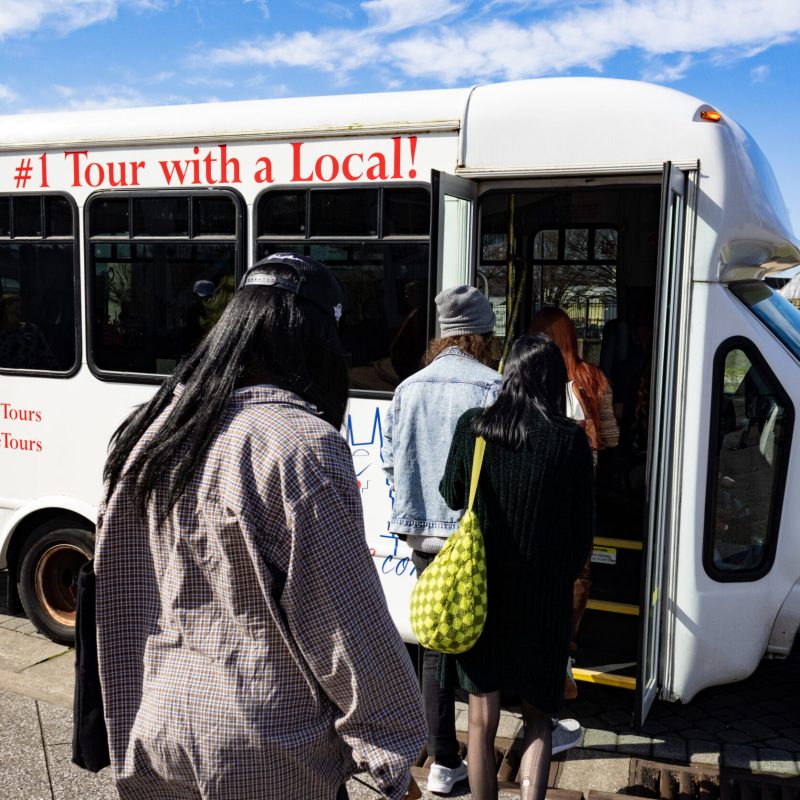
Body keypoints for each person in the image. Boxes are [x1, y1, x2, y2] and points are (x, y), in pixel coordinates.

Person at [94, 253, 425, 800]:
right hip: (266, 752)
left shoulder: (147, 430)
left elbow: (120, 595)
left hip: (156, 729)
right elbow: (345, 628)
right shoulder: (298, 443)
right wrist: (392, 753)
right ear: (315, 342)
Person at [383, 287, 581, 795]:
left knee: (454, 676)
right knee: (537, 716)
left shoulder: (416, 392)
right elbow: (578, 527)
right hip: (529, 580)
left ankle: (444, 761)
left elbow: (431, 481)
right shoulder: (553, 429)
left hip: (459, 561)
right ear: (481, 335)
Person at [437, 334, 594, 800]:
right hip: (543, 602)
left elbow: (451, 495)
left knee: (482, 723)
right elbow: (582, 535)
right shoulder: (569, 442)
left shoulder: (474, 428)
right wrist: (556, 579)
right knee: (539, 720)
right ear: (552, 382)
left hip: (481, 597)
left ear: (508, 377)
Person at [530, 306, 618, 696]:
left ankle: (534, 648)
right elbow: (611, 438)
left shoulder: (528, 378)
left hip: (537, 490)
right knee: (578, 573)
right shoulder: (594, 378)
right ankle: (565, 654)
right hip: (580, 491)